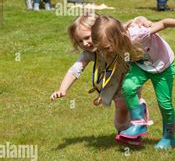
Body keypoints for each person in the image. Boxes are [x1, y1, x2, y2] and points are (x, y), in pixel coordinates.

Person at [92, 13, 175, 149]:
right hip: (142, 66)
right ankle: (139, 122)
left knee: (164, 104)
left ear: (117, 36)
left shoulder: (138, 34)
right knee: (128, 87)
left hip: (163, 66)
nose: (106, 51)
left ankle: (169, 137)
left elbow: (163, 23)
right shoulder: (115, 40)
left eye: (106, 48)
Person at [51, 13, 152, 145]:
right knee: (121, 110)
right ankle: (126, 134)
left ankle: (135, 127)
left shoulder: (112, 36)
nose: (85, 44)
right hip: (113, 85)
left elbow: (132, 24)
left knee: (126, 104)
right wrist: (62, 89)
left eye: (87, 38)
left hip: (129, 78)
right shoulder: (89, 53)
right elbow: (75, 69)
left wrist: (142, 19)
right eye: (80, 41)